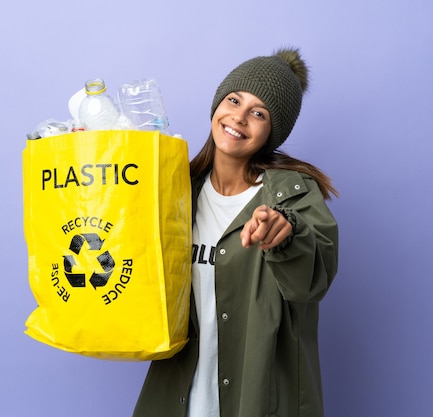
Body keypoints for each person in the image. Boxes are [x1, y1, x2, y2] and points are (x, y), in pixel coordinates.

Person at [133, 47, 339, 417]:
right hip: (180, 395)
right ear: (217, 105)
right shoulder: (175, 190)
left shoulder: (293, 194)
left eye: (258, 113)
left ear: (272, 131)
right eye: (233, 100)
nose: (239, 118)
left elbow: (312, 282)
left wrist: (286, 236)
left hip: (260, 398)